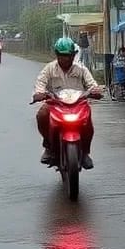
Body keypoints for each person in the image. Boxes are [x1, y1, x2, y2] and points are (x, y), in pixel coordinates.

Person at [33, 37, 103, 169]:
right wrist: (39, 93)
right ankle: (48, 145)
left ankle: (85, 153)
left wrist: (95, 91)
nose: (65, 59)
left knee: (88, 121)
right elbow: (41, 82)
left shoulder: (81, 69)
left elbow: (92, 84)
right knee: (41, 115)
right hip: (55, 103)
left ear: (73, 55)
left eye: (68, 55)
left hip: (78, 104)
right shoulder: (49, 68)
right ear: (57, 55)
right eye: (62, 55)